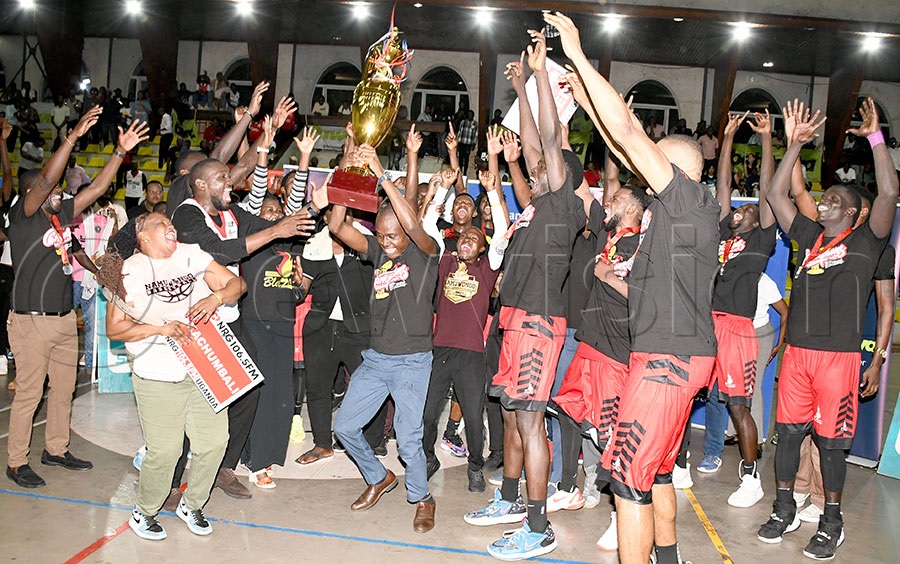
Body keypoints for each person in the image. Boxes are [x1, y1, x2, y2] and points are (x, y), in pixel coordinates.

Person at [548, 12, 720, 564]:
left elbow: (629, 132)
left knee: (626, 479)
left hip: (667, 357)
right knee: (657, 473)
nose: (642, 175)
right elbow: (622, 146)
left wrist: (577, 54)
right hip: (676, 354)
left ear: (676, 171)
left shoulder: (688, 201)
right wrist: (589, 104)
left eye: (655, 166)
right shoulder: (679, 209)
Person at [464, 31, 591, 561]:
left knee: (532, 420)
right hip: (517, 320)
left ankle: (538, 528)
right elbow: (534, 149)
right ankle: (513, 501)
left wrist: (541, 78)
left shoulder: (563, 203)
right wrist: (520, 83)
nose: (536, 165)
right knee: (516, 415)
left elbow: (549, 137)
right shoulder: (537, 204)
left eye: (544, 167)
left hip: (540, 323)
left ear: (564, 176)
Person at [757, 98, 897, 560]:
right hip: (797, 354)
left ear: (856, 214)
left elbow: (890, 194)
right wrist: (792, 145)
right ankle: (783, 508)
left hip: (838, 359)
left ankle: (831, 523)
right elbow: (778, 197)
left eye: (836, 199)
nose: (826, 200)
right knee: (789, 436)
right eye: (825, 196)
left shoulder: (867, 242)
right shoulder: (808, 236)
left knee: (832, 445)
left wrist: (877, 139)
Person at [5, 108, 149, 489]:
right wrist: (71, 138)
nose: (60, 193)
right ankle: (17, 461)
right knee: (30, 394)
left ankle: (55, 448)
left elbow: (98, 190)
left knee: (64, 390)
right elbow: (47, 178)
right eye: (52, 190)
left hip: (64, 318)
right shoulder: (24, 215)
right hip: (31, 318)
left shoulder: (59, 217)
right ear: (34, 192)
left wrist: (119, 153)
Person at [171, 154, 315, 500]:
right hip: (198, 319)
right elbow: (219, 251)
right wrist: (277, 230)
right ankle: (174, 482)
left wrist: (312, 208)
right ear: (202, 184)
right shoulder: (188, 213)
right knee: (199, 399)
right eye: (223, 177)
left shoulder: (230, 213)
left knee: (248, 387)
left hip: (229, 317)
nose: (231, 182)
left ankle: (225, 465)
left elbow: (269, 230)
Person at [105, 212, 246, 540]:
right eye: (160, 224)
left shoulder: (191, 254)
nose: (169, 226)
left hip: (203, 367)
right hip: (155, 372)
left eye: (171, 223)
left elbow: (236, 284)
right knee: (166, 451)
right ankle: (145, 511)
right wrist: (162, 329)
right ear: (143, 236)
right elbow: (115, 328)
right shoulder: (128, 272)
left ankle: (192, 504)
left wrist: (215, 298)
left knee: (214, 443)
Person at [329, 145, 442, 534]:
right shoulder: (379, 251)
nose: (387, 241)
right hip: (377, 359)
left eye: (393, 235)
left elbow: (412, 226)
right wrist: (347, 174)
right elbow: (338, 227)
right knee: (344, 428)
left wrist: (381, 173)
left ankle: (423, 498)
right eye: (381, 234)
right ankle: (379, 477)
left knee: (409, 441)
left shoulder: (426, 252)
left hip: (412, 361)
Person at [701, 111, 777, 508]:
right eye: (737, 210)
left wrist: (765, 139)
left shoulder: (763, 239)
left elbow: (765, 188)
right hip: (706, 323)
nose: (739, 212)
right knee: (687, 390)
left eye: (747, 211)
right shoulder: (721, 234)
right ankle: (675, 463)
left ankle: (751, 477)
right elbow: (724, 185)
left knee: (737, 404)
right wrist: (727, 138)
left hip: (737, 329)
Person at [423, 168, 508, 492]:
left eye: (475, 239)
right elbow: (429, 226)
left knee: (473, 417)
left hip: (472, 354)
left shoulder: (487, 269)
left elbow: (501, 230)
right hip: (440, 350)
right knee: (428, 415)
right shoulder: (444, 261)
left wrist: (493, 190)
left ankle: (475, 466)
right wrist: (442, 189)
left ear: (482, 248)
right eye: (464, 238)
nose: (468, 241)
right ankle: (429, 458)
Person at [457, 110, 478, 176]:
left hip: (469, 143)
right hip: (462, 142)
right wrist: (457, 141)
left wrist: (474, 144)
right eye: (468, 114)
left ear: (473, 115)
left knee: (466, 158)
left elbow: (476, 134)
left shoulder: (475, 123)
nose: (469, 116)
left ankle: (465, 172)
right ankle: (460, 171)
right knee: (460, 157)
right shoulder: (463, 122)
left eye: (471, 114)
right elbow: (459, 132)